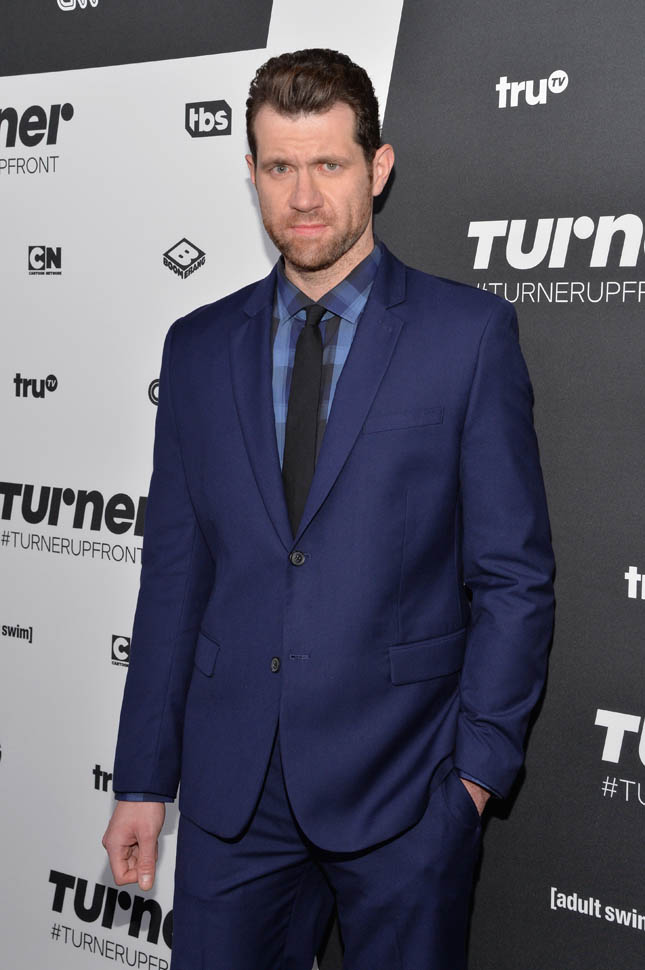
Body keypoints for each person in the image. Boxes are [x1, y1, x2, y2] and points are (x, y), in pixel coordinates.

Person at [102, 48, 555, 969]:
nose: (303, 196)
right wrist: (143, 780)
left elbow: (512, 577)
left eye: (328, 164)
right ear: (251, 172)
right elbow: (174, 577)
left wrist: (472, 777)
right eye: (279, 166)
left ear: (376, 168)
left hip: (405, 790)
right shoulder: (196, 348)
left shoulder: (465, 337)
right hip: (233, 797)